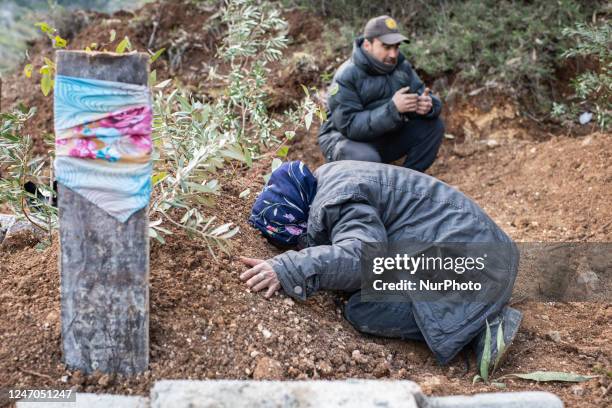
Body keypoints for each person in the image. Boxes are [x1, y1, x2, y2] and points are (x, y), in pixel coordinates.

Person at [241, 160, 522, 367]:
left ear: (298, 219)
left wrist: (289, 267)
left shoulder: (338, 201)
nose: (296, 246)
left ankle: (484, 324)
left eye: (292, 241)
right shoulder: (328, 182)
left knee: (365, 309)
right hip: (473, 250)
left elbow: (363, 258)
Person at [318, 15, 444, 173]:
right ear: (367, 45)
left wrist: (428, 105)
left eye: (396, 47)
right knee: (367, 159)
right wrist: (393, 109)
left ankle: (408, 180)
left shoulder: (400, 67)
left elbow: (424, 94)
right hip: (344, 141)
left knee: (433, 126)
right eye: (386, 47)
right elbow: (349, 126)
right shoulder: (347, 75)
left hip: (382, 134)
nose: (393, 54)